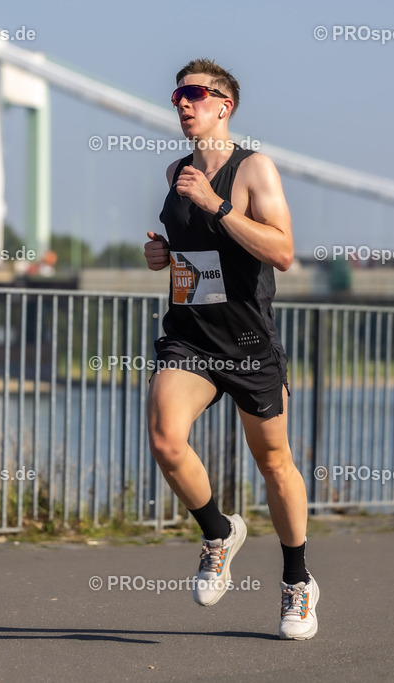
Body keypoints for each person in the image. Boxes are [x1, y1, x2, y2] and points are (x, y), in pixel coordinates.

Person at [143, 58, 317, 640]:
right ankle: (218, 533)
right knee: (166, 439)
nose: (183, 104)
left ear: (225, 105)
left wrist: (217, 206)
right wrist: (164, 256)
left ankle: (297, 581)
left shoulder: (253, 169)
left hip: (247, 342)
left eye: (195, 94)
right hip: (190, 336)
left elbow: (283, 251)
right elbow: (197, 254)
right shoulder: (176, 171)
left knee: (274, 462)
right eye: (177, 96)